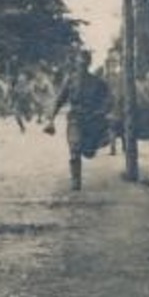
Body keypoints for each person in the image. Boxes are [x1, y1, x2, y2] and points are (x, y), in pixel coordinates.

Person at [44, 48, 111, 191]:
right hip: (75, 119)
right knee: (74, 148)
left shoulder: (97, 82)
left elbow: (108, 98)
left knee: (88, 152)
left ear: (88, 64)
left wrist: (102, 111)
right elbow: (59, 100)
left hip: (91, 119)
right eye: (79, 62)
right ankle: (76, 180)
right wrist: (51, 119)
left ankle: (97, 143)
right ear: (76, 64)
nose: (81, 65)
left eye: (84, 63)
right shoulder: (70, 81)